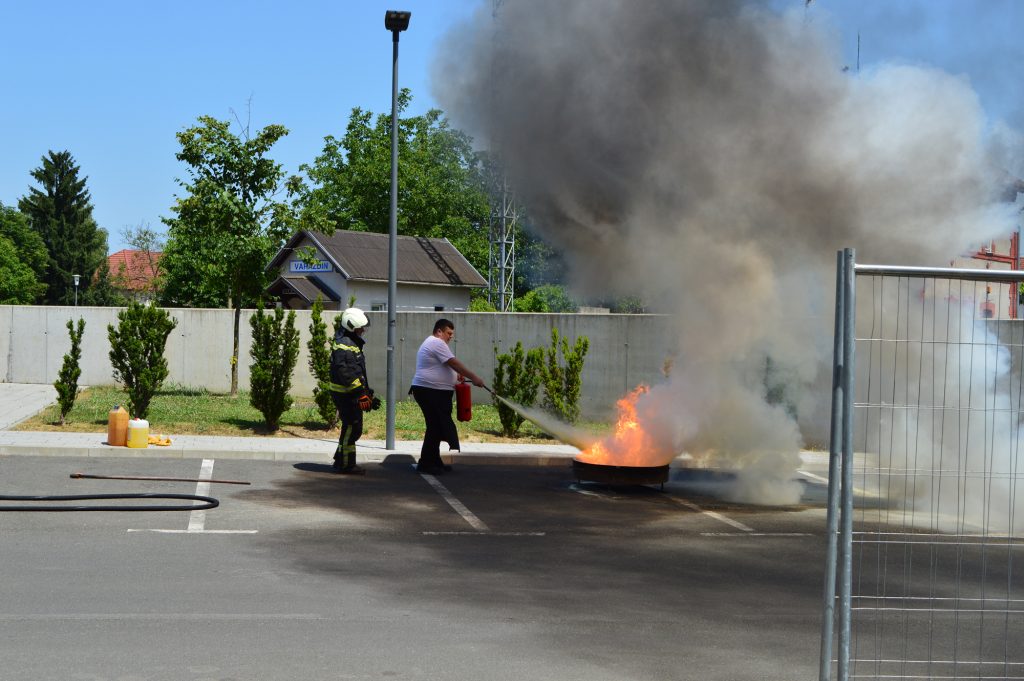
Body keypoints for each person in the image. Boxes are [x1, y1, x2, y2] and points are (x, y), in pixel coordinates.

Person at [410, 318, 486, 474]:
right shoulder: (437, 342)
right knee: (435, 426)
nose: (451, 336)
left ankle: (434, 461)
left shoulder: (433, 343)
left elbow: (446, 366)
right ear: (439, 331)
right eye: (448, 333)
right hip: (430, 391)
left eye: (452, 334)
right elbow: (454, 363)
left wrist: (455, 375)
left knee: (436, 426)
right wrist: (475, 377)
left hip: (431, 391)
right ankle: (426, 464)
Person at [328, 307, 379, 475]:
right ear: (352, 327)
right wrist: (360, 394)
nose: (363, 330)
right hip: (346, 394)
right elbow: (347, 373)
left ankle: (340, 460)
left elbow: (356, 371)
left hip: (348, 393)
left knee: (349, 427)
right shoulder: (345, 345)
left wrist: (367, 393)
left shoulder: (349, 342)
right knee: (353, 427)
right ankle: (346, 465)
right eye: (360, 328)